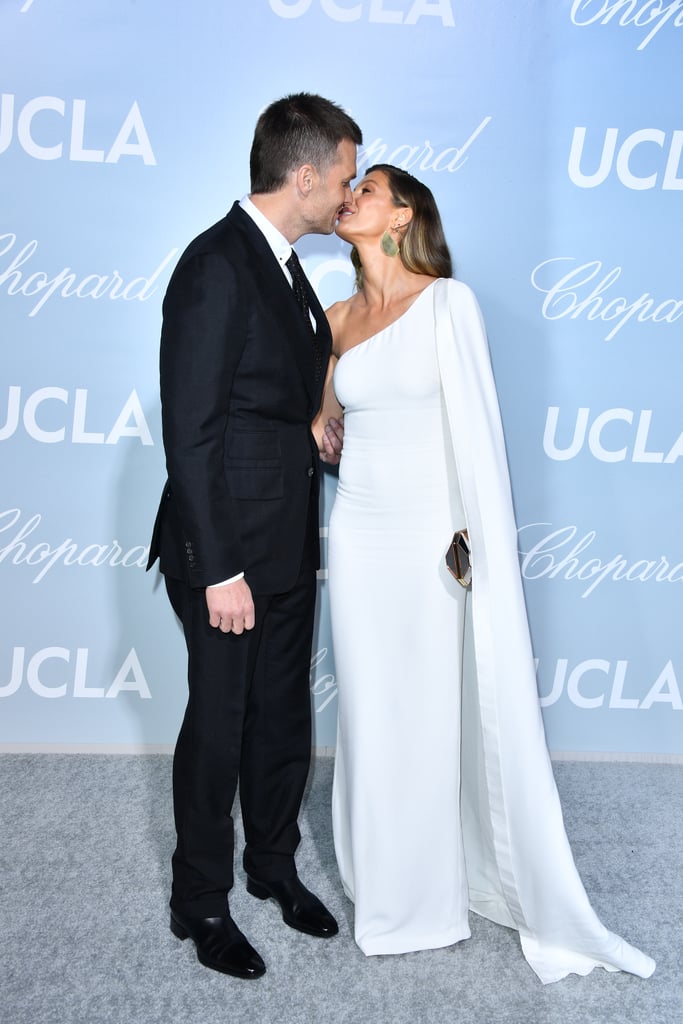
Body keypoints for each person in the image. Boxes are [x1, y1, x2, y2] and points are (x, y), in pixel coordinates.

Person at [312, 164, 655, 984]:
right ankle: (384, 888)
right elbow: (322, 419)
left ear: (402, 216)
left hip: (432, 538)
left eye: (369, 187)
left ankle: (431, 895)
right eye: (347, 185)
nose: (350, 194)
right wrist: (318, 421)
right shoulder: (331, 317)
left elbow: (478, 433)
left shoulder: (445, 303)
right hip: (357, 533)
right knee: (370, 711)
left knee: (430, 710)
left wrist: (474, 547)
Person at [147, 93, 362, 980]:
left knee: (280, 718)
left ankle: (271, 867)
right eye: (343, 178)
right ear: (303, 175)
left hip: (284, 537)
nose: (348, 196)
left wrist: (306, 430)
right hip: (226, 551)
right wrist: (219, 569)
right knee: (220, 725)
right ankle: (198, 899)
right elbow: (191, 431)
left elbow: (261, 396)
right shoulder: (216, 264)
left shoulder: (282, 263)